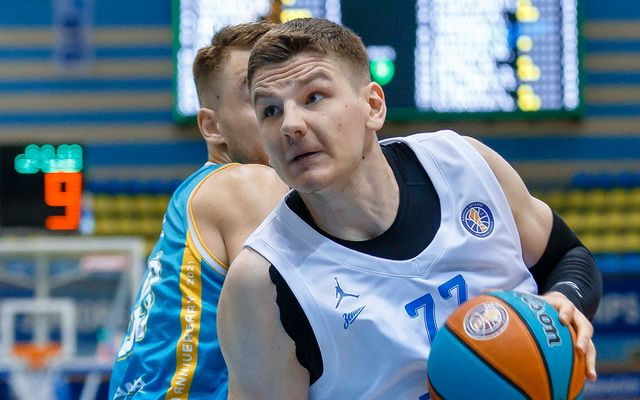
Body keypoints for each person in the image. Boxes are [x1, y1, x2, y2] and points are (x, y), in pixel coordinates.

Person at [218, 18, 602, 399]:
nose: (290, 125)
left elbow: (567, 256)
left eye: (313, 97)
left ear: (373, 106)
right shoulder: (262, 283)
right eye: (270, 111)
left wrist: (564, 301)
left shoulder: (464, 165)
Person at [108, 22, 289, 400]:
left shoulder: (197, 192)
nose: (287, 116)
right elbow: (298, 330)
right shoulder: (243, 182)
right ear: (212, 126)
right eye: (259, 99)